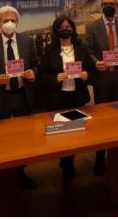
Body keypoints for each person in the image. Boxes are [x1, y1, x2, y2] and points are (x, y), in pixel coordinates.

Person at [0, 5, 38, 189]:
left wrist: (32, 73)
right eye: (5, 20)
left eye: (13, 20)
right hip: (0, 98)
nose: (9, 23)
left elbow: (36, 65)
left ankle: (20, 173)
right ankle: (4, 177)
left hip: (22, 96)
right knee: (1, 141)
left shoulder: (27, 41)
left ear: (17, 22)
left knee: (23, 140)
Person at [39, 15, 93, 190]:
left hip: (77, 97)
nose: (65, 29)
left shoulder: (81, 48)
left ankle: (68, 162)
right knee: (63, 137)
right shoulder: (50, 50)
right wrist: (55, 77)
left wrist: (86, 75)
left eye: (68, 26)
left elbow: (91, 71)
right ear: (57, 30)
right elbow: (42, 75)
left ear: (72, 29)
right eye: (62, 26)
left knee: (76, 135)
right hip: (58, 99)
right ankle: (67, 168)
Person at [85, 0, 118, 176]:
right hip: (102, 77)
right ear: (100, 6)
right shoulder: (92, 26)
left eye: (112, 3)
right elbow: (87, 51)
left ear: (117, 6)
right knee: (102, 119)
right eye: (105, 3)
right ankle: (99, 157)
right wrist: (96, 62)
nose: (108, 6)